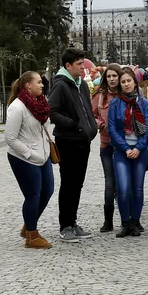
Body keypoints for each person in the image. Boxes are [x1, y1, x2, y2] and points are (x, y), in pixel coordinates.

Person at [48, 48, 98, 242]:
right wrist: (73, 124)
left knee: (77, 184)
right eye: (79, 63)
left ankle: (73, 221)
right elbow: (52, 112)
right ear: (68, 66)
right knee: (68, 184)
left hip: (82, 141)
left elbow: (86, 108)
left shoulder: (81, 84)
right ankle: (65, 225)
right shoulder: (61, 85)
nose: (83, 66)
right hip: (68, 141)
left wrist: (91, 127)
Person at [4, 71, 55, 248]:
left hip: (43, 155)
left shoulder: (41, 103)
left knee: (47, 191)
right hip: (24, 157)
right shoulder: (17, 107)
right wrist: (28, 153)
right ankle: (31, 236)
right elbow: (10, 138)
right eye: (39, 82)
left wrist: (46, 149)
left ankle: (29, 223)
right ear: (28, 85)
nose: (42, 85)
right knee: (33, 195)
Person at [106, 69, 148, 238]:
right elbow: (112, 129)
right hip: (121, 151)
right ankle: (125, 222)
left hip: (140, 151)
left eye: (128, 81)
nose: (126, 84)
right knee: (124, 188)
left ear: (134, 82)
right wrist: (126, 148)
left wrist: (138, 148)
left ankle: (135, 221)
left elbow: (146, 128)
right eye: (123, 81)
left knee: (137, 188)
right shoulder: (115, 103)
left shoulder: (144, 103)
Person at [92, 64, 122, 233]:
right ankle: (108, 220)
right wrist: (100, 124)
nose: (111, 79)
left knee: (125, 182)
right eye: (108, 76)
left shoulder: (125, 92)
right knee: (110, 182)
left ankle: (129, 217)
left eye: (114, 76)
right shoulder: (100, 95)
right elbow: (91, 113)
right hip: (107, 143)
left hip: (125, 145)